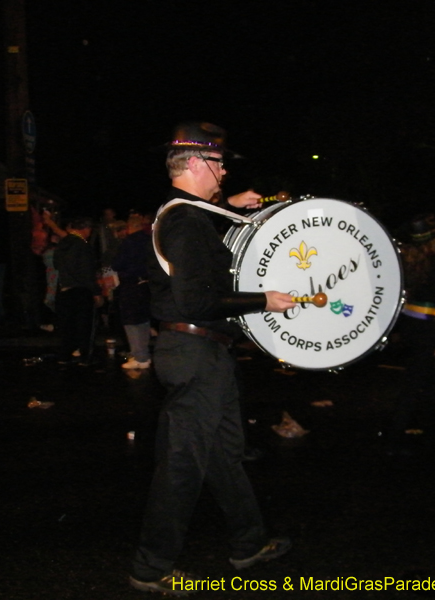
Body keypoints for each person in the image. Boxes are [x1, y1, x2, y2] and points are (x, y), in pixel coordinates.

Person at [129, 122, 296, 595]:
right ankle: (150, 567)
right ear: (200, 164)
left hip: (207, 353)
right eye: (220, 163)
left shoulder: (188, 214)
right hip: (193, 350)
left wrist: (228, 205)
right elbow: (196, 301)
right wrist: (264, 300)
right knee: (183, 464)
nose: (224, 170)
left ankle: (249, 542)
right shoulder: (185, 221)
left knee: (224, 455)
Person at [387, 213, 435, 454]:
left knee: (427, 374)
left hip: (409, 322)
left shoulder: (406, 260)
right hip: (427, 324)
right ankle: (397, 426)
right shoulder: (433, 261)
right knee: (416, 376)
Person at [53, 216, 101, 365]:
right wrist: (96, 291)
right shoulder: (82, 245)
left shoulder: (62, 244)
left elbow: (56, 264)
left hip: (65, 288)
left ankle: (65, 354)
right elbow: (86, 271)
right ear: (85, 229)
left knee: (68, 325)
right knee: (85, 324)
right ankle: (85, 355)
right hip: (81, 289)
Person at [111, 214, 153, 369]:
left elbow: (117, 264)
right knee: (143, 320)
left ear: (130, 227)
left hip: (131, 283)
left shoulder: (129, 242)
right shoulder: (149, 241)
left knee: (131, 321)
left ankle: (138, 355)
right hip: (146, 284)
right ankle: (144, 354)